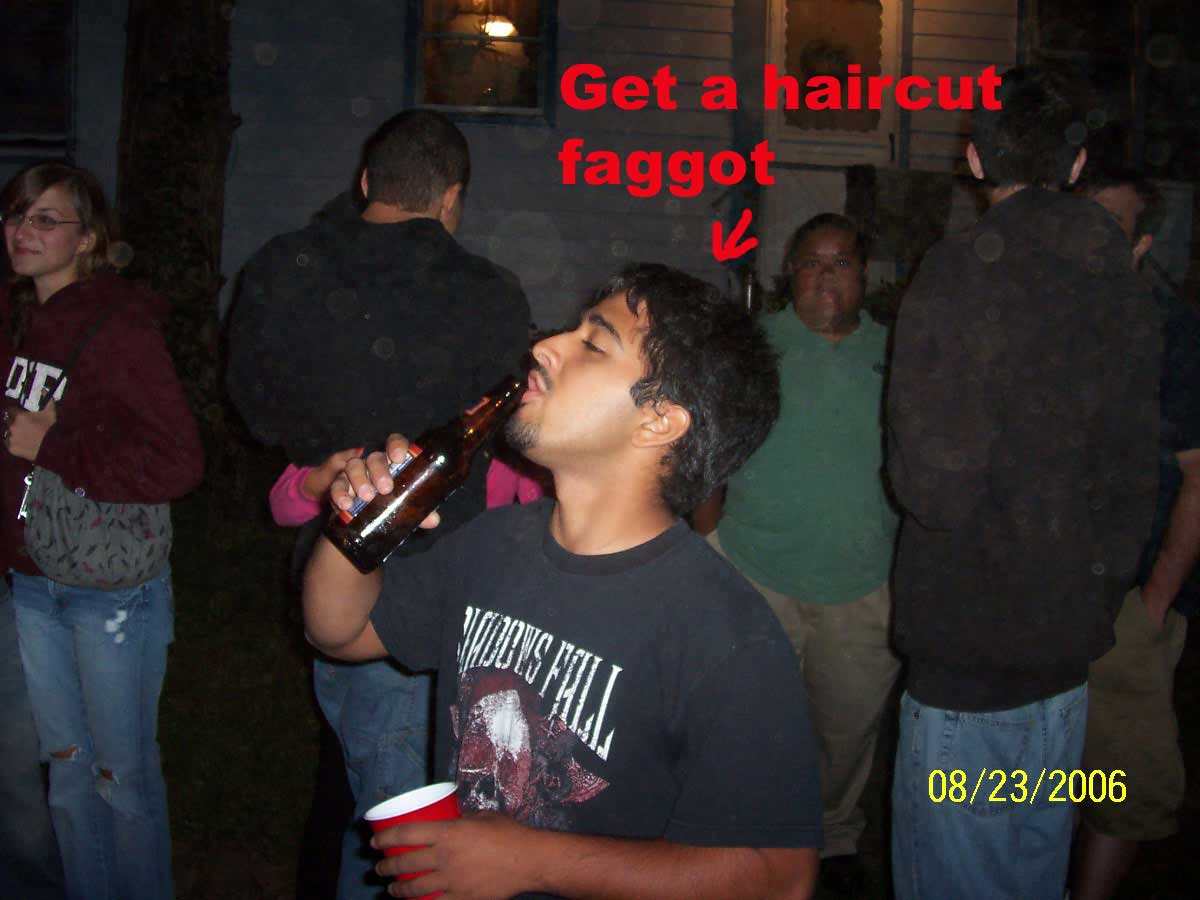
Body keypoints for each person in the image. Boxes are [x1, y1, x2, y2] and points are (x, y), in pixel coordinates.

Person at [304, 263, 822, 900]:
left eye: (594, 344)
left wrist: (534, 863)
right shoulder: (494, 543)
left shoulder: (727, 635)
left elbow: (781, 878)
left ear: (659, 421)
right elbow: (340, 632)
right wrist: (356, 527)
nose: (546, 346)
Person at [226, 109, 530, 900]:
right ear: (452, 198)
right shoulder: (489, 293)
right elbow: (511, 431)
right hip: (447, 592)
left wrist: (326, 455)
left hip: (334, 578)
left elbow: (254, 408)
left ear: (366, 182)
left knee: (372, 796)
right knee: (415, 829)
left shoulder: (284, 265)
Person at [885, 66, 1161, 900]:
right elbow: (1133, 472)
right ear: (1075, 165)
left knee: (957, 878)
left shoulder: (959, 272)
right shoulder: (1123, 283)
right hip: (1069, 652)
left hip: (972, 660)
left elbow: (933, 489)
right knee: (1036, 868)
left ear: (974, 160)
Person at [0, 162, 205, 900]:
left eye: (45, 219)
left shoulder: (117, 327)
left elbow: (178, 462)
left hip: (108, 589)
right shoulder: (21, 320)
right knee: (65, 775)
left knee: (121, 779)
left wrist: (51, 445)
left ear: (87, 239)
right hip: (31, 579)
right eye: (15, 216)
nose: (23, 232)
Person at [698, 213, 897, 895]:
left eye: (841, 261)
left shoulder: (899, 353)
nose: (826, 276)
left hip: (864, 583)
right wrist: (708, 547)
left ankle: (833, 839)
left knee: (847, 733)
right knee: (752, 723)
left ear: (863, 273)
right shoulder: (753, 346)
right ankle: (752, 837)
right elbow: (709, 449)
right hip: (757, 574)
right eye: (812, 262)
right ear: (791, 273)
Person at [1070, 170, 1200, 900]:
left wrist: (1154, 602)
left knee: (1124, 776)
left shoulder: (1173, 333)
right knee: (1040, 765)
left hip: (1127, 597)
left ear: (1142, 244)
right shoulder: (1045, 315)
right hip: (1041, 590)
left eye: (1111, 225)